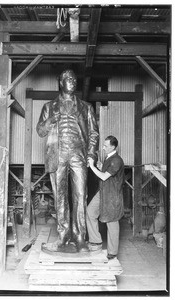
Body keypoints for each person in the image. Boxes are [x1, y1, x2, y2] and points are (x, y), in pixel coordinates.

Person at [36, 69, 99, 252]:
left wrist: (92, 154)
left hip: (78, 153)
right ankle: (63, 236)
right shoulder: (49, 107)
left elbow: (94, 132)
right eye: (67, 79)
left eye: (74, 78)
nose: (72, 81)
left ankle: (80, 237)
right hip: (58, 154)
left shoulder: (86, 107)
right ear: (60, 82)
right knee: (60, 197)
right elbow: (40, 131)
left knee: (80, 195)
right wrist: (49, 122)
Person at [87, 135, 124, 260]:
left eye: (105, 146)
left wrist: (92, 166)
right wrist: (100, 165)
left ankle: (112, 252)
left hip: (112, 195)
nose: (103, 148)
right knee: (90, 211)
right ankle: (96, 241)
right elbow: (105, 172)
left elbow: (103, 177)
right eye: (103, 145)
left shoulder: (116, 160)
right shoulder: (110, 158)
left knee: (112, 220)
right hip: (103, 191)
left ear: (113, 147)